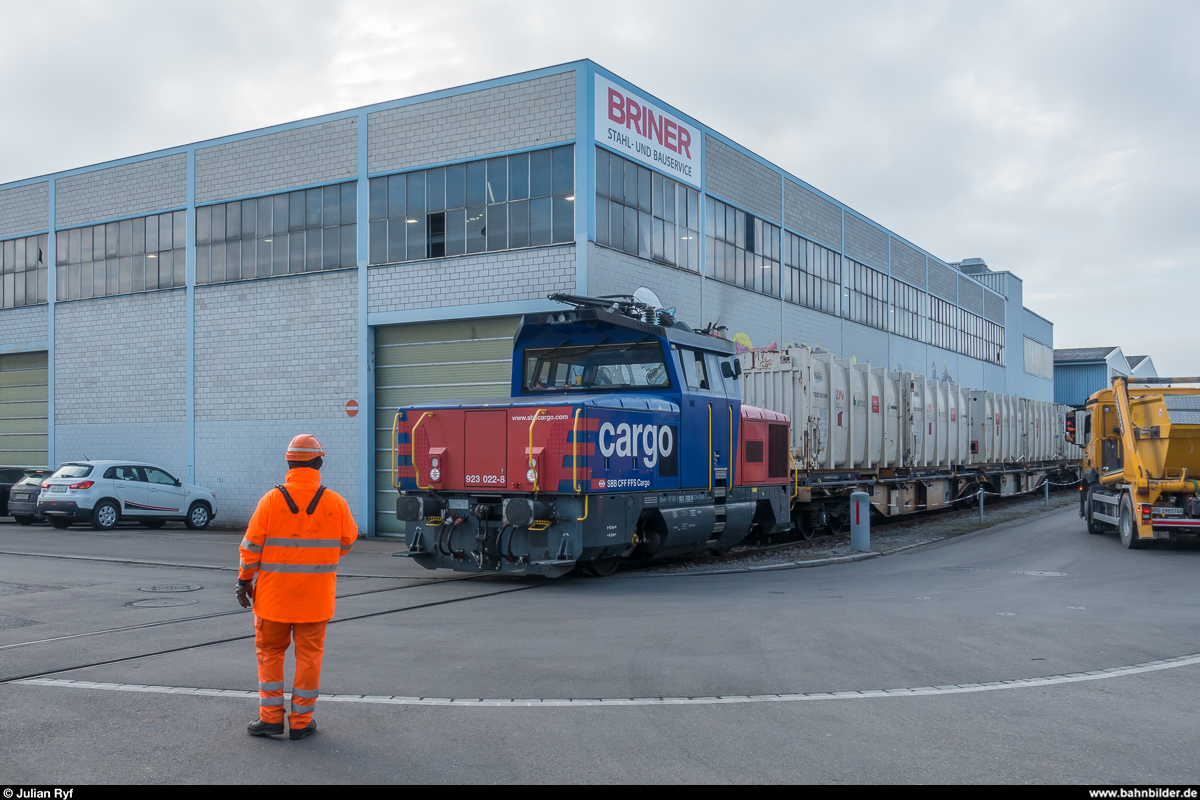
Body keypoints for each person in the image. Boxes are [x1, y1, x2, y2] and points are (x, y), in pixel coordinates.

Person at [235, 434, 358, 740]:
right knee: (309, 658)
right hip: (315, 601)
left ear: (288, 463)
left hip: (273, 599)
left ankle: (271, 719)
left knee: (270, 654)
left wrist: (243, 582)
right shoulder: (335, 502)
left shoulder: (270, 501)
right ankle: (301, 722)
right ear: (318, 463)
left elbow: (250, 548)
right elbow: (348, 540)